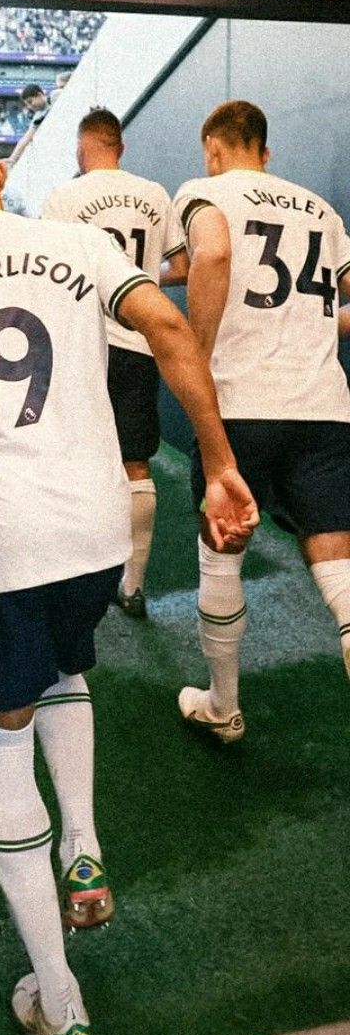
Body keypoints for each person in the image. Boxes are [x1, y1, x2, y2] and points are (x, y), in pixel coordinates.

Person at [0, 114, 258, 1035]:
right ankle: (83, 845)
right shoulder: (77, 243)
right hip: (96, 536)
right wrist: (219, 458)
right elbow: (165, 324)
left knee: (1, 751)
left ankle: (60, 999)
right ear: (0, 173)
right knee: (66, 669)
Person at [173, 100, 350, 743]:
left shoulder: (204, 190)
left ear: (213, 149)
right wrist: (307, 327)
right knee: (342, 577)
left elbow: (214, 255)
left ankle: (223, 706)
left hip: (241, 406)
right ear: (266, 152)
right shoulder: (321, 210)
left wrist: (195, 349)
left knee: (222, 558)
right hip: (324, 408)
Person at [43, 108, 188, 618]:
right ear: (119, 147)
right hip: (136, 340)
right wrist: (141, 282)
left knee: (70, 457)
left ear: (82, 150)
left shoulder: (66, 195)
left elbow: (47, 273)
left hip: (82, 342)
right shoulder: (154, 193)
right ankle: (133, 585)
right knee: (135, 464)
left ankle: (72, 574)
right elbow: (183, 266)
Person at [5, 84, 49, 170]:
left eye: (30, 101)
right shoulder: (38, 116)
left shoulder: (56, 98)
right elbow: (27, 137)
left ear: (40, 95)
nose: (30, 106)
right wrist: (12, 159)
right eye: (27, 104)